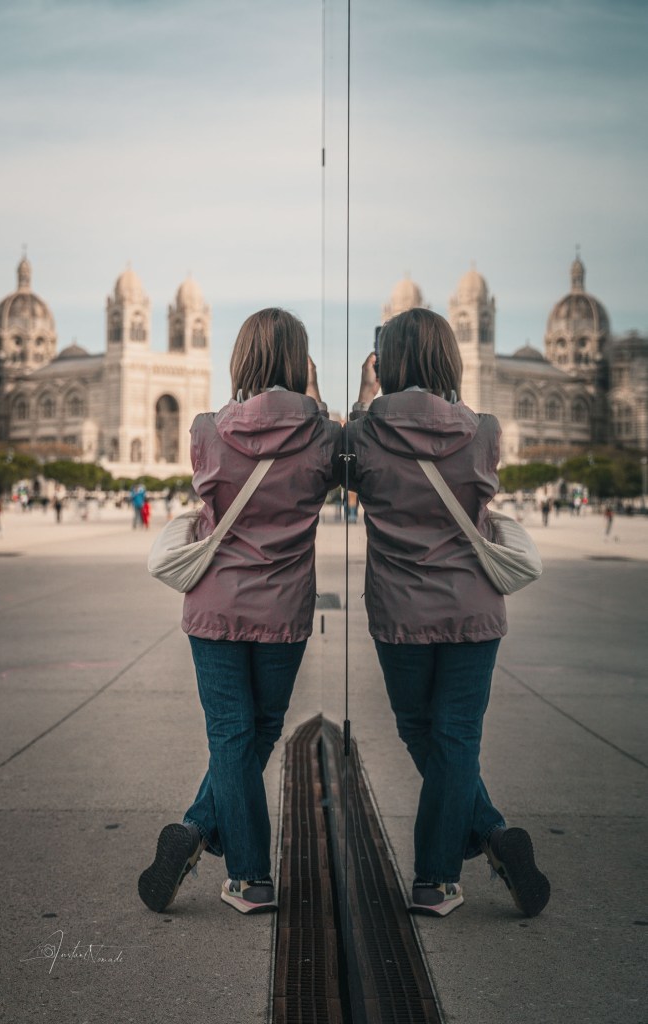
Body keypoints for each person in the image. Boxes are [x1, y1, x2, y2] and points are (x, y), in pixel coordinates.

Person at [346, 307, 550, 919]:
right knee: (457, 736)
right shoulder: (484, 430)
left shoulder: (365, 433)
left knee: (419, 731)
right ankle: (444, 873)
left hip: (399, 614)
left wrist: (366, 395)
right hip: (474, 612)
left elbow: (349, 477)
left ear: (388, 363)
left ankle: (485, 834)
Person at [138, 308, 340, 916]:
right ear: (299, 363)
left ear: (241, 358)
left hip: (214, 607)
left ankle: (237, 866)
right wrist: (317, 397)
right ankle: (208, 839)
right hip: (283, 612)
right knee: (260, 731)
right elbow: (338, 459)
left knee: (230, 734)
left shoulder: (205, 429)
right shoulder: (323, 437)